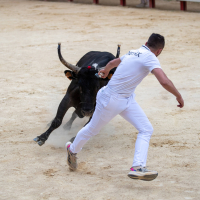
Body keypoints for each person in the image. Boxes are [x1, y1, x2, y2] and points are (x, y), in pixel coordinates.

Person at [65, 33, 184, 181]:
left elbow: (114, 62)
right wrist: (178, 96)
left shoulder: (134, 51)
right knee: (92, 130)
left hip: (127, 99)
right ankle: (72, 150)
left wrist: (107, 70)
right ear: (159, 51)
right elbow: (164, 81)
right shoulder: (151, 57)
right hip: (111, 100)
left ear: (146, 42)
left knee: (146, 129)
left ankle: (138, 167)